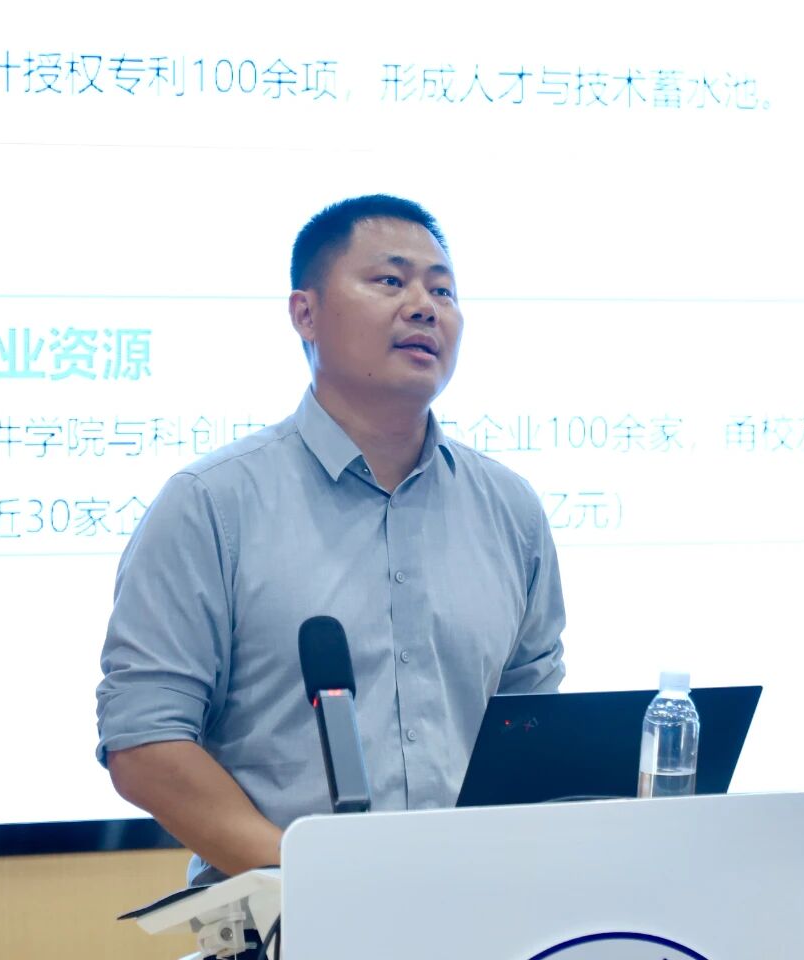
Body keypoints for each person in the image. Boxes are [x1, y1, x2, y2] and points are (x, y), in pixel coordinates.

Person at [96, 194, 566, 890]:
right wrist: (326, 878)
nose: (423, 307)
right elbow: (145, 743)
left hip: (481, 912)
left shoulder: (510, 509)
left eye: (443, 291)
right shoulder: (211, 504)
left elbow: (532, 724)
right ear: (305, 313)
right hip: (293, 918)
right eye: (390, 280)